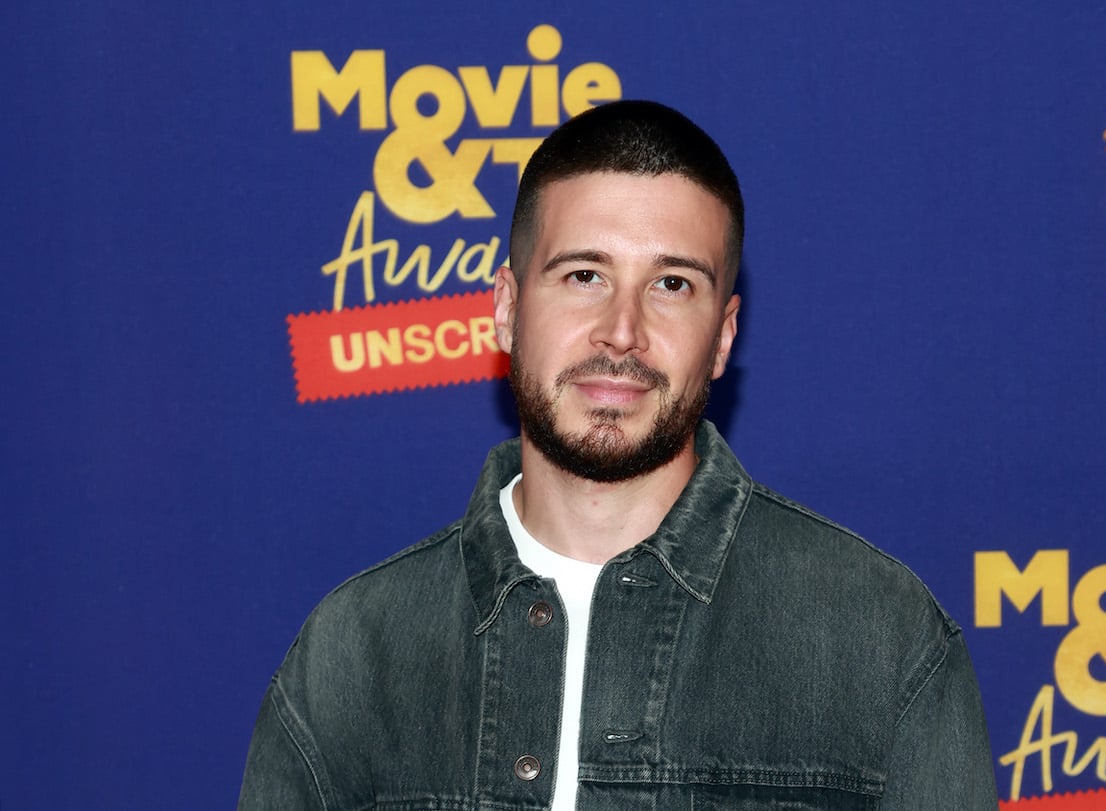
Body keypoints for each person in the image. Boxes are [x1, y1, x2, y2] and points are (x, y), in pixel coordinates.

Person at [239, 100, 998, 810]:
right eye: (584, 276)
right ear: (506, 308)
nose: (622, 330)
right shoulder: (349, 656)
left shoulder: (882, 639)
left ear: (724, 335)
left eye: (671, 284)